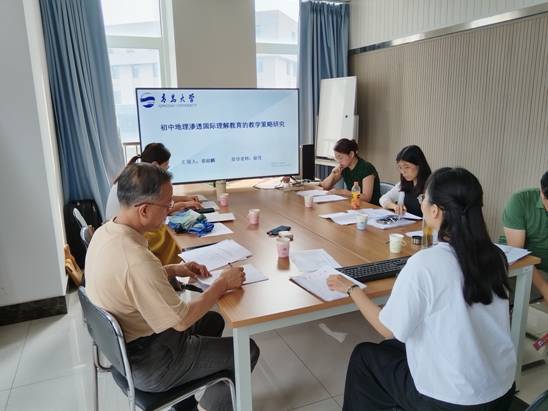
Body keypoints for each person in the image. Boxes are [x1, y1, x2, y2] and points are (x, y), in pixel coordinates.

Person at [327, 167, 516, 410]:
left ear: (435, 211)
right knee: (395, 350)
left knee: (365, 357)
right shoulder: (495, 255)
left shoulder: (426, 263)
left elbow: (389, 329)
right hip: (502, 390)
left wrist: (352, 289)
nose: (421, 202)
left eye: (423, 198)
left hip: (451, 401)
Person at [85, 163, 260, 411]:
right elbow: (181, 321)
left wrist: (173, 269)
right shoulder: (135, 260)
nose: (170, 211)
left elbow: (127, 281)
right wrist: (222, 283)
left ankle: (184, 405)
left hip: (125, 350)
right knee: (246, 350)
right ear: (144, 209)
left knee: (212, 321)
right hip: (151, 363)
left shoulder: (106, 232)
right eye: (166, 205)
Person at [105, 143, 201, 266]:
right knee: (170, 233)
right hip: (129, 230)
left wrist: (184, 199)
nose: (167, 170)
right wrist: (183, 204)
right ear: (155, 165)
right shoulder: (141, 181)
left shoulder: (135, 175)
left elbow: (159, 200)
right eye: (166, 167)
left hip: (120, 227)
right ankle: (179, 260)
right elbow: (155, 204)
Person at [502, 170, 548, 303]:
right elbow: (518, 255)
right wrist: (544, 289)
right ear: (542, 192)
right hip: (521, 266)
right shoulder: (520, 201)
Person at [319, 138, 381, 205]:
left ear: (351, 154)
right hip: (354, 204)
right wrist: (333, 173)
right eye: (336, 158)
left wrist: (343, 192)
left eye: (340, 158)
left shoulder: (366, 168)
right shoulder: (344, 167)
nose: (338, 161)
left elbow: (366, 198)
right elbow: (325, 186)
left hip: (371, 207)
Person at [379, 145, 432, 217]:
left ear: (419, 165)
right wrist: (395, 206)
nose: (403, 172)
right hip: (405, 223)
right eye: (400, 168)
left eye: (407, 167)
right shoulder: (403, 184)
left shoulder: (431, 186)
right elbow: (383, 199)